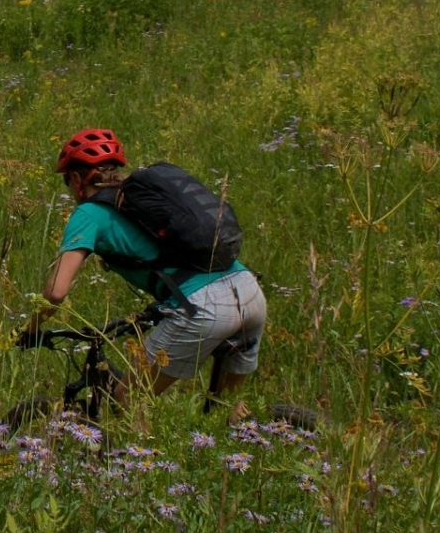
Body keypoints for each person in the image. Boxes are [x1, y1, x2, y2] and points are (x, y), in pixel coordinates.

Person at [27, 127, 267, 397]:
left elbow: (56, 292)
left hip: (204, 307)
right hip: (249, 290)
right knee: (227, 415)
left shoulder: (89, 214)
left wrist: (30, 329)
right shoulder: (143, 198)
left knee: (129, 401)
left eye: (66, 182)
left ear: (75, 179)